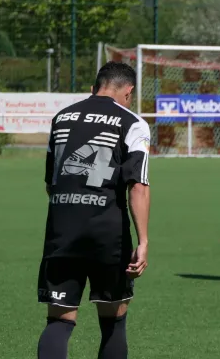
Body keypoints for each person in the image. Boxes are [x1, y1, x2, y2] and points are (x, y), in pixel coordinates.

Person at [37, 61, 151, 359]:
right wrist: (143, 241)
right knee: (114, 318)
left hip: (61, 230)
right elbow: (137, 185)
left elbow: (51, 182)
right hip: (107, 233)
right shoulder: (132, 122)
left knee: (59, 318)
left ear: (94, 87)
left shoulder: (61, 118)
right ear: (128, 92)